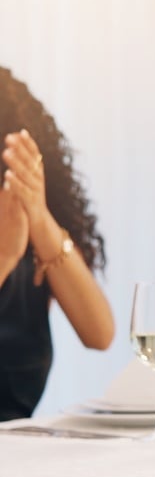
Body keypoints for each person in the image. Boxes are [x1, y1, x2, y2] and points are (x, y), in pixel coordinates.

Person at [0, 66, 114, 421]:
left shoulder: (28, 238)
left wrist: (38, 214)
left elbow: (99, 334)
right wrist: (4, 254)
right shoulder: (10, 248)